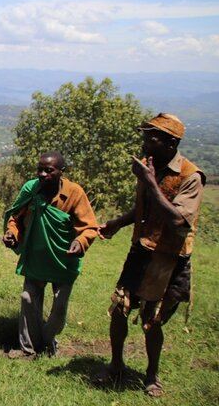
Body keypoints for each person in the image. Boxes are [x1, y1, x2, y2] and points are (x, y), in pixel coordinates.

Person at [93, 113, 204, 398]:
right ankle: (116, 364)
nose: (145, 141)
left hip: (169, 258)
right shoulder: (150, 167)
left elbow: (178, 220)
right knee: (119, 309)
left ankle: (152, 375)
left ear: (171, 142)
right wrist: (119, 222)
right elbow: (146, 209)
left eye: (151, 137)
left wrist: (149, 181)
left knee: (152, 319)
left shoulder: (190, 176)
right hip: (141, 249)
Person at [2, 151, 98, 358]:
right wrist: (12, 234)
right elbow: (15, 218)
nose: (43, 175)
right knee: (28, 298)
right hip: (36, 256)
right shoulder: (31, 189)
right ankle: (28, 348)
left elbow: (89, 227)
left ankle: (45, 342)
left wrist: (80, 242)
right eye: (40, 170)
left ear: (61, 171)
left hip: (64, 259)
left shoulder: (74, 193)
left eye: (49, 170)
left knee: (59, 308)